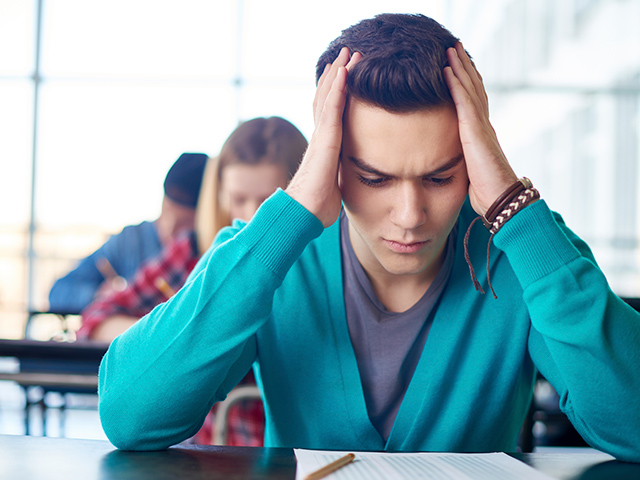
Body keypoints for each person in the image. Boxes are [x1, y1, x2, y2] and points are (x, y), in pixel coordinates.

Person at [96, 14, 640, 461]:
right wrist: (290, 214)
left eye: (440, 177)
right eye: (375, 178)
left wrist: (514, 209)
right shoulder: (272, 257)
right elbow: (130, 415)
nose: (409, 215)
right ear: (332, 164)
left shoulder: (524, 253)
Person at [80, 116, 308, 446]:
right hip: (205, 454)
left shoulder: (316, 268)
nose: (253, 216)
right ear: (219, 194)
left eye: (270, 201)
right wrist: (175, 330)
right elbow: (96, 318)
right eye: (238, 198)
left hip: (286, 456)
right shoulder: (194, 251)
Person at [48, 153, 208, 314]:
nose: (170, 228)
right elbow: (59, 291)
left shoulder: (207, 250)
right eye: (166, 212)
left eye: (185, 223)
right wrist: (99, 296)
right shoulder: (130, 240)